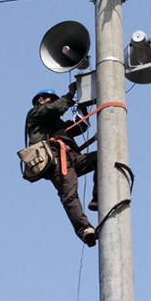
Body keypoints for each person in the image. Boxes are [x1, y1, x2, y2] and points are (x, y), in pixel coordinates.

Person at [26, 83, 99, 247]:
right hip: (58, 160)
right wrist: (70, 94)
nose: (53, 103)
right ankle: (84, 229)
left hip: (72, 157)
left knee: (103, 157)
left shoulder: (56, 124)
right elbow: (55, 109)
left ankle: (97, 197)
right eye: (51, 100)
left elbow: (80, 126)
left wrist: (83, 106)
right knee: (70, 195)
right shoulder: (35, 114)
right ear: (41, 100)